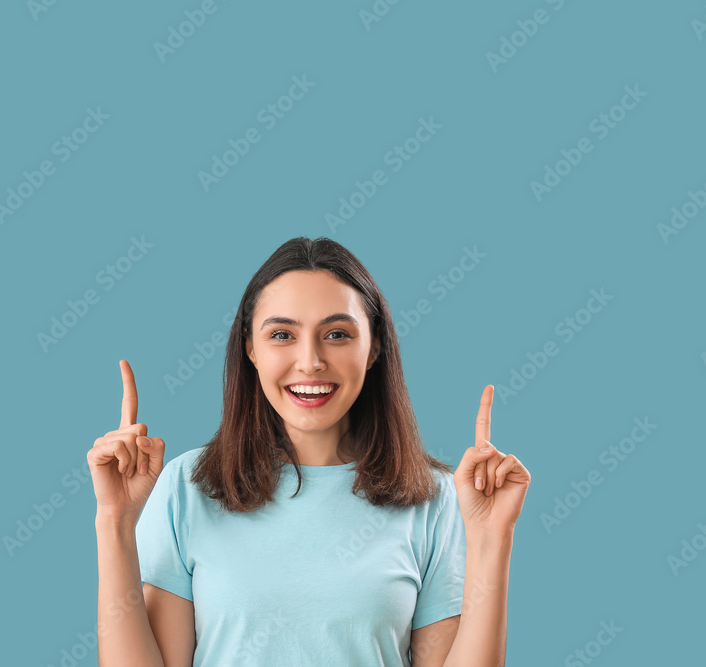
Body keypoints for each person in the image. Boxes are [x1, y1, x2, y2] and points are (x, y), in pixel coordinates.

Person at [88, 236, 531, 666]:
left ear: (374, 346)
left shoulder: (433, 500)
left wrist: (493, 538)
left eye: (337, 334)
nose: (311, 361)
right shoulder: (189, 487)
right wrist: (114, 521)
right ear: (250, 349)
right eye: (282, 334)